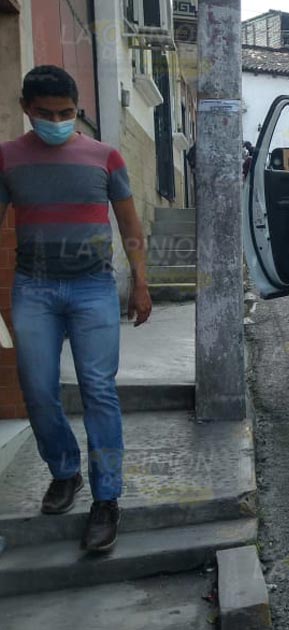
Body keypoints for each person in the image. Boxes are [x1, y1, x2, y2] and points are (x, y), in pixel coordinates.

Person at [0, 66, 153, 552]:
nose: (56, 121)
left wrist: (141, 284)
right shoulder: (7, 159)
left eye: (66, 113)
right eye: (46, 113)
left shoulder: (104, 157)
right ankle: (64, 472)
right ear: (26, 108)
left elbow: (129, 224)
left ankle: (107, 499)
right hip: (34, 288)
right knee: (38, 390)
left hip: (92, 289)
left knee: (99, 390)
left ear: (77, 108)